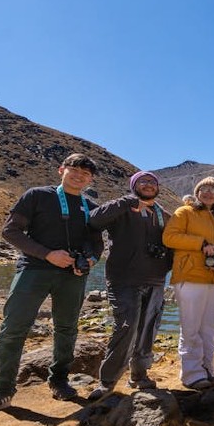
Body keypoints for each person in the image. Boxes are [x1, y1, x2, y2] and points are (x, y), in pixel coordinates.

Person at [0, 153, 103, 414]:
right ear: (61, 170)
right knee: (14, 327)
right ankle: (2, 390)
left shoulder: (90, 205)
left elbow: (96, 242)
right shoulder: (37, 195)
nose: (79, 176)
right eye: (74, 170)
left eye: (86, 174)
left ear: (90, 179)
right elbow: (10, 231)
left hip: (72, 276)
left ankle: (59, 380)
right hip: (34, 270)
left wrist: (90, 260)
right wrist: (47, 254)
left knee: (66, 329)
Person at [86, 171, 173, 401]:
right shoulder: (122, 208)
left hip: (155, 279)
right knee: (127, 325)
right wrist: (125, 201)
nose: (148, 185)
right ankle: (107, 381)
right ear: (133, 186)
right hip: (124, 279)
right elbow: (94, 219)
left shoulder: (162, 213)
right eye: (142, 182)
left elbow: (175, 241)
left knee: (148, 328)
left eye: (152, 182)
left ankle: (139, 374)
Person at [162, 176, 214, 391]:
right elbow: (169, 237)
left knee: (210, 328)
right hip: (190, 276)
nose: (209, 192)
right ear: (198, 192)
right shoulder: (185, 212)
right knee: (191, 327)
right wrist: (200, 243)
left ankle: (208, 370)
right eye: (204, 189)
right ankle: (192, 374)